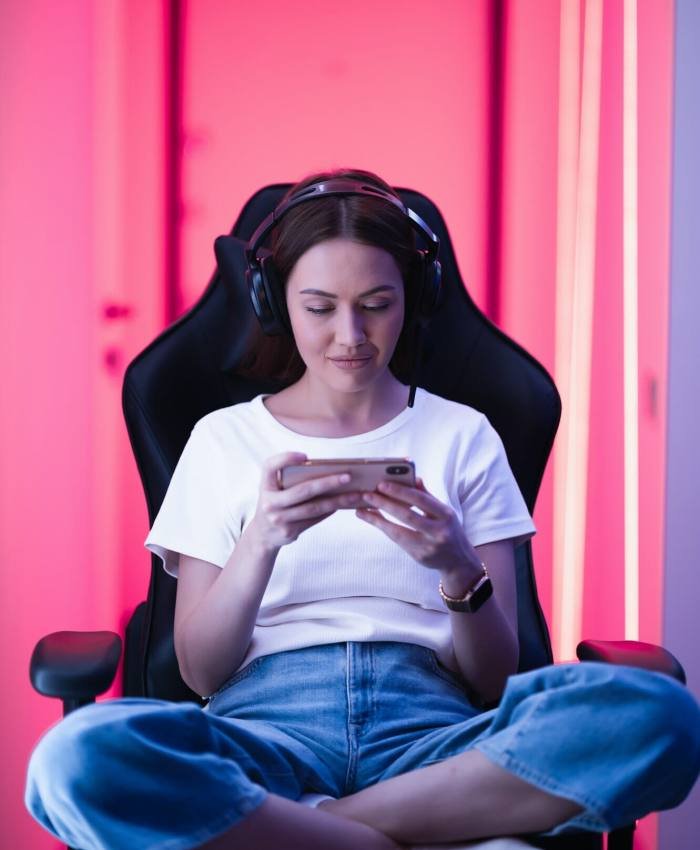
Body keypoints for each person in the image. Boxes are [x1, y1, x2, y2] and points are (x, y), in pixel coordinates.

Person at [25, 168, 700, 850]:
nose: (351, 334)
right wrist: (262, 540)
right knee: (74, 759)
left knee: (660, 716)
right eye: (320, 307)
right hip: (263, 735)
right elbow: (201, 674)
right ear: (273, 302)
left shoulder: (463, 435)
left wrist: (458, 570)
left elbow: (497, 680)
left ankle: (327, 834)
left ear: (413, 299)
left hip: (435, 738)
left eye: (376, 303)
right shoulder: (222, 439)